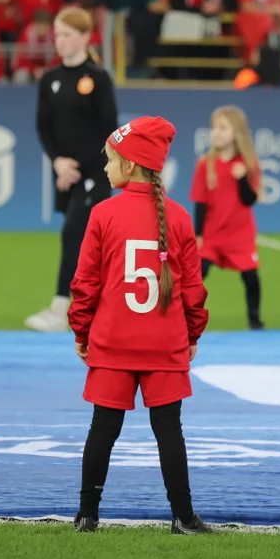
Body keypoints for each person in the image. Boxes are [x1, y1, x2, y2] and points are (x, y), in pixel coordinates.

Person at [69, 115, 212, 534]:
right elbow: (194, 290)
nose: (105, 168)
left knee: (103, 427)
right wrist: (191, 335)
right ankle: (183, 517)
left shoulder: (103, 214)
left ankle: (88, 515)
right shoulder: (181, 218)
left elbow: (85, 286)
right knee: (169, 430)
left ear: (130, 164)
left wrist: (82, 333)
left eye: (110, 160)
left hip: (112, 342)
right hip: (164, 345)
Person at [26, 7, 118, 333]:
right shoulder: (49, 79)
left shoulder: (98, 78)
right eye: (57, 33)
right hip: (64, 173)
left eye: (66, 34)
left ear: (83, 37)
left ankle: (61, 308)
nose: (59, 40)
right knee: (81, 239)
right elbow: (43, 127)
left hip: (94, 172)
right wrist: (58, 162)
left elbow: (107, 130)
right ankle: (97, 309)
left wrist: (75, 164)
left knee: (75, 235)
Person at [190, 106, 264, 330]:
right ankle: (187, 315)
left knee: (250, 277)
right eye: (214, 128)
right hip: (212, 233)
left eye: (223, 127)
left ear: (237, 132)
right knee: (198, 272)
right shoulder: (205, 164)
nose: (216, 132)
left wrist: (242, 178)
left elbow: (250, 200)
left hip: (240, 234)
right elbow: (200, 201)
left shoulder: (248, 164)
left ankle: (254, 318)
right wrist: (199, 234)